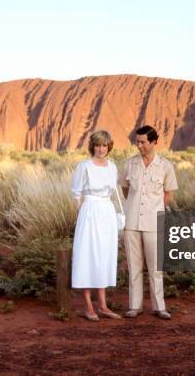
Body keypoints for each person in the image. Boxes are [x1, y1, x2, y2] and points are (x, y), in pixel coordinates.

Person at [120, 125, 178, 320]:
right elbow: (126, 190)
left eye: (143, 142)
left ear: (154, 142)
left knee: (155, 268)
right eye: (137, 141)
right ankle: (134, 306)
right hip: (132, 223)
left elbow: (169, 194)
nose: (139, 145)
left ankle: (159, 307)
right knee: (134, 267)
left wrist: (155, 209)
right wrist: (134, 208)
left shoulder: (165, 166)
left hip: (154, 223)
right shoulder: (129, 164)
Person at [71, 130, 123, 321]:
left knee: (104, 256)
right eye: (98, 145)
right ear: (92, 146)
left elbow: (114, 191)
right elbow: (76, 195)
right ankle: (88, 306)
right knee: (87, 255)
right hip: (90, 212)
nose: (101, 149)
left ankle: (103, 305)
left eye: (104, 145)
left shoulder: (112, 166)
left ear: (109, 146)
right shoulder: (84, 166)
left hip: (107, 211)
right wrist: (83, 215)